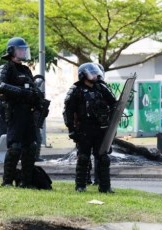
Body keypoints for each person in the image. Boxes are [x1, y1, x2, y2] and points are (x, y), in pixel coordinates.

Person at [63, 62, 116, 193]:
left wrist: (111, 127)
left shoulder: (102, 88)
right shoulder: (76, 90)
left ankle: (105, 187)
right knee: (83, 158)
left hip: (101, 129)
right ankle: (80, 186)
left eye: (95, 72)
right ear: (83, 75)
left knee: (103, 158)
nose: (94, 75)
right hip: (84, 130)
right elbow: (68, 111)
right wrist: (71, 129)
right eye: (91, 72)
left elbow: (114, 105)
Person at [0, 37, 40, 187]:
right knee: (15, 147)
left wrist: (37, 97)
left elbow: (33, 89)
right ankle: (7, 181)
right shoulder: (6, 67)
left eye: (23, 49)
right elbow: (0, 86)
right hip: (14, 112)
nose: (23, 52)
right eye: (20, 49)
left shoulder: (26, 69)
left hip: (28, 113)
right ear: (11, 51)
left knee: (31, 146)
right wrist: (20, 92)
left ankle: (26, 182)